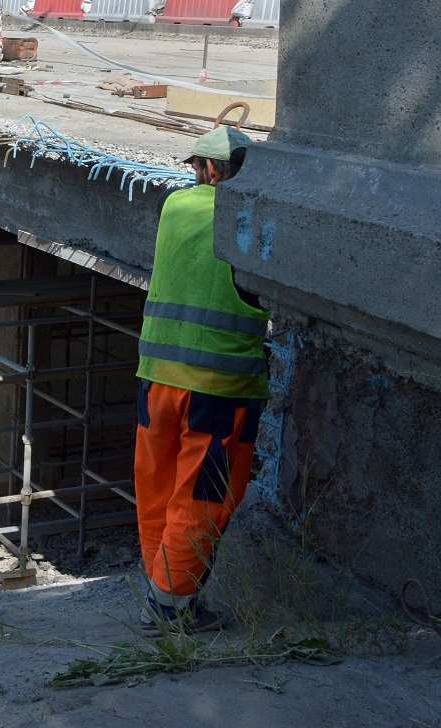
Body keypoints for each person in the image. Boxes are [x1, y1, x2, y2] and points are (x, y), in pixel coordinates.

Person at [134, 124, 268, 634]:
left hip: (155, 380)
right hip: (218, 389)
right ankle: (170, 610)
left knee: (157, 487)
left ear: (207, 169)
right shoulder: (250, 220)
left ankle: (162, 594)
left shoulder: (174, 207)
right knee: (201, 498)